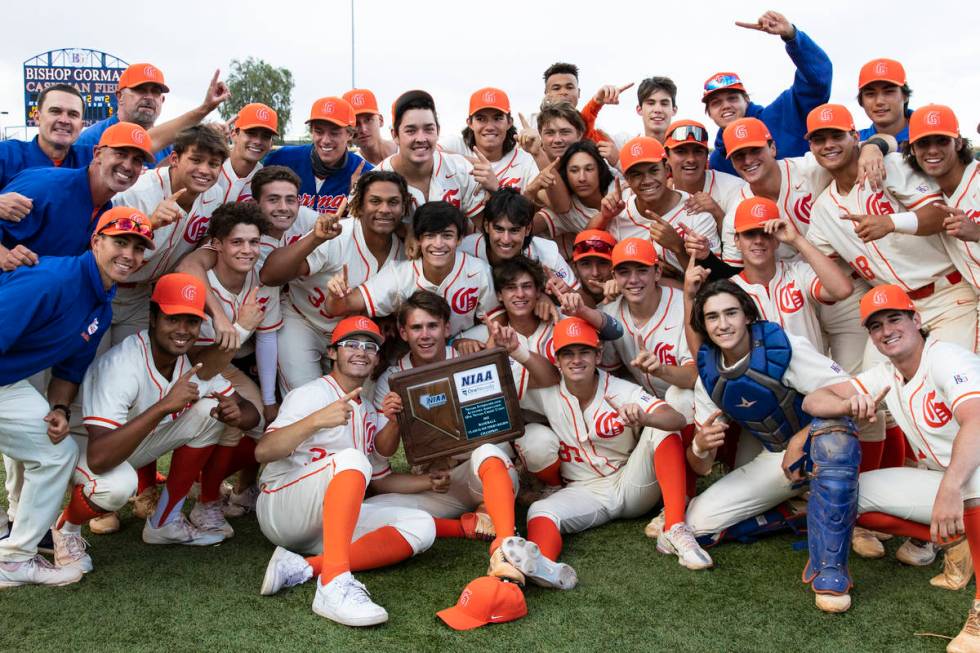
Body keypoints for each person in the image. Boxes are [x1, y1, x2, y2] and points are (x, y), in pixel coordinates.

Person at [802, 285, 980, 652]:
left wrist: (949, 490)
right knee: (849, 496)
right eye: (876, 325)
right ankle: (959, 537)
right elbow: (814, 399)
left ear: (916, 320)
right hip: (950, 478)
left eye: (895, 318)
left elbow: (976, 421)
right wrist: (850, 404)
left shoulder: (946, 358)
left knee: (972, 485)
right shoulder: (885, 373)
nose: (887, 331)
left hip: (970, 471)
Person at [52, 273, 259, 572]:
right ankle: (66, 529)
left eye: (191, 321)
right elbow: (98, 458)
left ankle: (165, 521)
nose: (183, 330)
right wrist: (164, 407)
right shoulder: (122, 365)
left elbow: (247, 409)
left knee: (211, 411)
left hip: (126, 446)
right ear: (152, 318)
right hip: (79, 450)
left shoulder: (188, 361)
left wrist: (239, 416)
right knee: (117, 486)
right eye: (173, 319)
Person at [681, 279, 859, 612]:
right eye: (713, 317)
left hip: (821, 446)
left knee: (834, 440)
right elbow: (701, 467)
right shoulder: (709, 372)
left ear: (747, 315)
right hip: (779, 458)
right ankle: (794, 512)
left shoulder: (781, 346)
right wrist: (700, 446)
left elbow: (851, 394)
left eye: (731, 313)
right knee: (698, 523)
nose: (723, 324)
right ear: (703, 325)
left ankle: (830, 570)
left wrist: (804, 435)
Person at [0, 206, 153, 587]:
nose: (129, 255)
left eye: (138, 248)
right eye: (120, 242)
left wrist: (59, 407)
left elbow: (69, 369)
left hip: (10, 382)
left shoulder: (101, 298)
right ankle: (15, 559)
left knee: (53, 448)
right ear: (96, 241)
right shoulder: (52, 279)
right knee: (55, 453)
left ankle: (19, 545)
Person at [255, 316, 436, 627]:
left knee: (421, 526)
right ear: (332, 353)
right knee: (351, 459)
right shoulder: (311, 394)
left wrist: (395, 424)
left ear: (377, 358)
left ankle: (304, 567)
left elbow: (378, 480)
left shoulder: (365, 407)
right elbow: (263, 451)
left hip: (325, 525)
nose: (360, 351)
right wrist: (314, 421)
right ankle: (333, 583)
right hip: (282, 509)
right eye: (350, 344)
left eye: (369, 346)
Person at [366, 290, 555, 586]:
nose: (425, 335)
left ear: (446, 328)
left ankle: (504, 544)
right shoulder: (391, 378)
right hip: (438, 483)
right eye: (416, 327)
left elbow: (512, 404)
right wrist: (392, 422)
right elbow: (383, 451)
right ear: (403, 332)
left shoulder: (471, 356)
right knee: (370, 512)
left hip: (486, 474)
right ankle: (471, 525)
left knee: (487, 451)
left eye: (432, 326)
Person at [513, 317, 709, 576]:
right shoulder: (545, 392)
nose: (576, 360)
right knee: (540, 510)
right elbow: (501, 402)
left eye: (585, 351)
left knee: (660, 427)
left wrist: (645, 416)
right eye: (567, 353)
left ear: (598, 354)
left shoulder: (620, 389)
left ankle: (674, 527)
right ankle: (543, 566)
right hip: (583, 492)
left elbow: (676, 419)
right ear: (557, 359)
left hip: (630, 483)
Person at [804, 104, 977, 353]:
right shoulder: (822, 210)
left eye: (837, 136)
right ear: (811, 147)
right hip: (892, 312)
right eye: (819, 139)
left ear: (855, 138)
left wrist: (890, 222)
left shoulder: (890, 164)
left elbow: (939, 215)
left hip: (947, 296)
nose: (828, 144)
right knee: (880, 389)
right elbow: (826, 270)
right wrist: (796, 242)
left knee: (952, 374)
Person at [260, 170, 407, 391]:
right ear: (359, 205)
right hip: (304, 322)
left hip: (355, 337)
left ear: (404, 208)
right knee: (305, 398)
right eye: (375, 201)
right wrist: (315, 239)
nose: (384, 209)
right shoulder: (339, 236)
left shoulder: (406, 250)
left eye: (393, 202)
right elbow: (270, 275)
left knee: (359, 402)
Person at [107, 125, 229, 346]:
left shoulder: (214, 195)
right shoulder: (139, 192)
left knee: (131, 362)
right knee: (87, 368)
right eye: (196, 160)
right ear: (174, 158)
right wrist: (149, 224)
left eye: (213, 164)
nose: (204, 170)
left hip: (142, 296)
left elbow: (203, 241)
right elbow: (101, 244)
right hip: (105, 290)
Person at [323, 201, 499, 337]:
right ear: (419, 239)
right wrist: (335, 295)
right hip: (415, 353)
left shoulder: (478, 270)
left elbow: (497, 322)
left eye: (447, 236)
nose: (438, 244)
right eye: (430, 236)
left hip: (462, 348)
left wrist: (464, 340)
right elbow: (338, 308)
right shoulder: (400, 274)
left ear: (459, 239)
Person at [0, 122, 154, 270]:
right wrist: (4, 255)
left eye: (137, 160)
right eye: (120, 154)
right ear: (98, 154)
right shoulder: (46, 185)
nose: (127, 166)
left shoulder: (107, 211)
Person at [703, 10, 832, 175]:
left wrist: (792, 36)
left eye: (733, 98)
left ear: (746, 100)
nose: (726, 106)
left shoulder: (785, 112)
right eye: (716, 103)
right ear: (709, 113)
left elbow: (818, 80)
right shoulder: (719, 160)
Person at [904, 104, 980, 351]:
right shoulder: (929, 196)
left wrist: (978, 233)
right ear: (913, 149)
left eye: (942, 141)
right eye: (924, 143)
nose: (933, 150)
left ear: (958, 143)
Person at [588, 136, 719, 276]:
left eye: (653, 170)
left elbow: (713, 281)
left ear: (667, 169)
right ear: (627, 179)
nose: (647, 180)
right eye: (637, 174)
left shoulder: (696, 211)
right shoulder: (619, 211)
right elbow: (588, 243)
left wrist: (678, 247)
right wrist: (604, 217)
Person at [74, 63, 230, 167]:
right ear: (119, 96)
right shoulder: (91, 139)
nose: (148, 97)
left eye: (155, 92)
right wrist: (205, 108)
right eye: (140, 89)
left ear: (162, 100)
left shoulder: (171, 145)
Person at [374, 90, 486, 230]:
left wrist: (496, 191)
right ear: (395, 135)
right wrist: (404, 231)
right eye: (411, 131)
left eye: (428, 129)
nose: (421, 139)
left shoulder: (461, 169)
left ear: (438, 131)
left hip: (453, 250)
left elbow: (488, 230)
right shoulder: (374, 180)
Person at [263, 97, 370, 214]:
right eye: (319, 132)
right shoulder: (282, 159)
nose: (325, 140)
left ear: (350, 134)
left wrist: (355, 204)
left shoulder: (364, 172)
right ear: (311, 132)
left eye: (334, 133)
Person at [460, 188, 578, 291]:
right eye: (499, 229)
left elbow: (588, 303)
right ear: (486, 226)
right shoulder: (465, 251)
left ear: (528, 229)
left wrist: (566, 291)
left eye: (514, 230)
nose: (506, 239)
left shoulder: (546, 253)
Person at [440, 87, 539, 192]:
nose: (490, 127)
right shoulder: (457, 145)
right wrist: (475, 163)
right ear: (470, 123)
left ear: (509, 122)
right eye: (481, 119)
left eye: (497, 118)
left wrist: (496, 189)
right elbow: (429, 153)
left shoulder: (524, 160)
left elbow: (552, 204)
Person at [663, 119, 745, 228]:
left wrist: (718, 214)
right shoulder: (660, 194)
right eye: (680, 152)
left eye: (698, 151)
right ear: (667, 156)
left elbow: (745, 242)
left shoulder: (734, 188)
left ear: (706, 156)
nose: (691, 159)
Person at [214, 103, 278, 204]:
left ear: (271, 143)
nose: (258, 141)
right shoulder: (210, 168)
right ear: (234, 134)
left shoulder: (265, 182)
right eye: (251, 133)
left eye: (266, 136)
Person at [856, 59, 913, 144]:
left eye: (888, 92)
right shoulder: (854, 143)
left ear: (905, 96)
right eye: (870, 94)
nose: (879, 101)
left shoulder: (930, 135)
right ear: (861, 101)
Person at [343, 89, 397, 166]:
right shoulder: (351, 167)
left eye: (368, 120)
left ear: (381, 120)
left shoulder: (404, 150)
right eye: (356, 123)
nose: (363, 129)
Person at [570, 229, 617, 306]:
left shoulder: (630, 291)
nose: (595, 273)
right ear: (575, 267)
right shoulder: (565, 293)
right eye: (586, 264)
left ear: (615, 265)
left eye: (603, 263)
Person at [635, 77, 678, 144]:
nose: (658, 110)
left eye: (664, 104)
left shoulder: (688, 149)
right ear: (639, 109)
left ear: (674, 110)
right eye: (651, 103)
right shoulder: (624, 144)